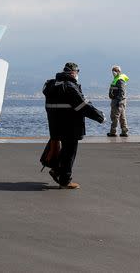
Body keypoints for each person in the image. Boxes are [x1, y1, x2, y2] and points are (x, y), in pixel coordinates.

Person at [43, 62, 105, 190]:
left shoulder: (51, 85)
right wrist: (99, 116)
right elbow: (82, 105)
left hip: (55, 124)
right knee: (69, 152)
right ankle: (65, 180)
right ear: (74, 72)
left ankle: (57, 170)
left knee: (63, 150)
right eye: (77, 72)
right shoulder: (70, 86)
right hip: (70, 125)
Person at [107, 65, 130, 137]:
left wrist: (118, 101)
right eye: (113, 71)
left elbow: (122, 91)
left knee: (115, 116)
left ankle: (113, 132)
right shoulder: (116, 79)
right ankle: (124, 131)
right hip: (118, 100)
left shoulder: (120, 79)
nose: (113, 72)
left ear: (119, 71)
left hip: (118, 101)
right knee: (122, 116)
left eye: (115, 71)